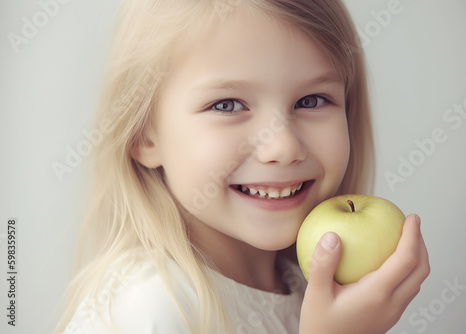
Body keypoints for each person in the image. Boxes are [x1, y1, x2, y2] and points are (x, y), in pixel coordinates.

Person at [54, 0, 430, 333]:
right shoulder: (145, 313)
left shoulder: (307, 289)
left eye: (311, 100)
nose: (283, 147)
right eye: (228, 105)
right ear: (144, 136)